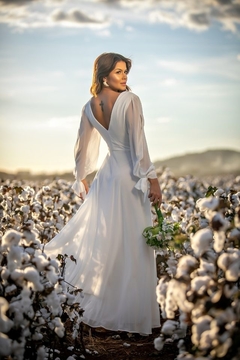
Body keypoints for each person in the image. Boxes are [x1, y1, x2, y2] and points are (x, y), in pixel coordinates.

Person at [45, 52, 162, 335]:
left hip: (106, 178)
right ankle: (131, 317)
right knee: (134, 245)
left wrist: (82, 177)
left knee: (108, 243)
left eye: (125, 72)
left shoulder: (89, 106)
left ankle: (106, 311)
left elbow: (82, 147)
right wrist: (152, 179)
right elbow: (139, 144)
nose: (124, 77)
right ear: (104, 75)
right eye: (119, 72)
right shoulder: (131, 100)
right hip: (129, 177)